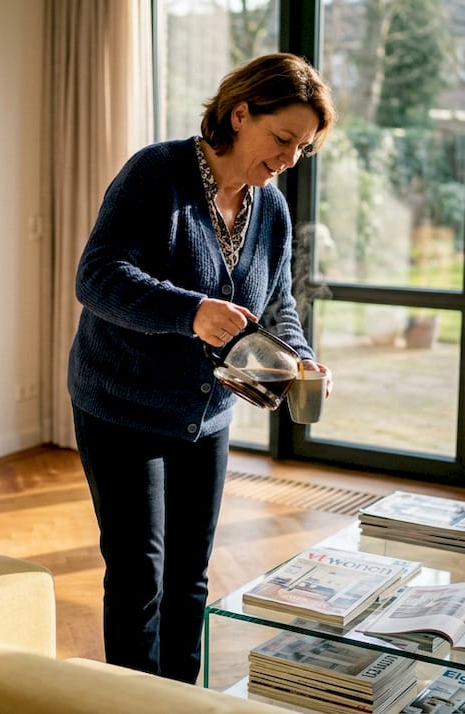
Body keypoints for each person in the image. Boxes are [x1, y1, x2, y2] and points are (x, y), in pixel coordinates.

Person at [67, 52, 336, 683]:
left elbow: (277, 303)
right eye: (283, 139)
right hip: (121, 407)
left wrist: (297, 357)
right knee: (140, 576)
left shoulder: (270, 209)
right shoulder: (155, 174)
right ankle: (132, 702)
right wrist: (190, 312)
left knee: (191, 575)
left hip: (205, 416)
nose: (290, 159)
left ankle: (182, 700)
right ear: (240, 113)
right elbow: (97, 277)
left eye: (303, 149)